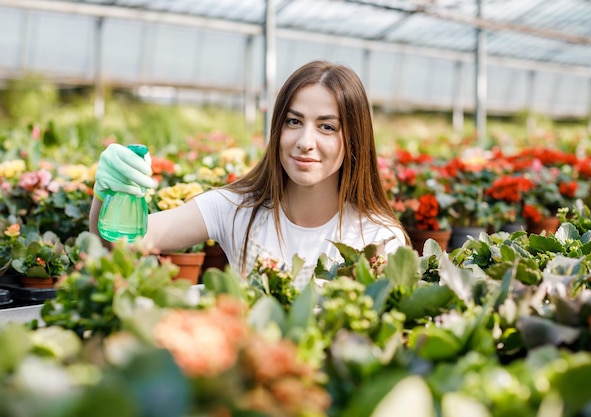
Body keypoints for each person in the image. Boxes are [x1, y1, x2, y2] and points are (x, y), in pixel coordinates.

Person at [89, 60, 409, 290]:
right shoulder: (238, 208)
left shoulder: (377, 237)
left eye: (327, 126)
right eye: (293, 122)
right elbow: (126, 244)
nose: (305, 142)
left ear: (354, 139)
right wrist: (106, 194)